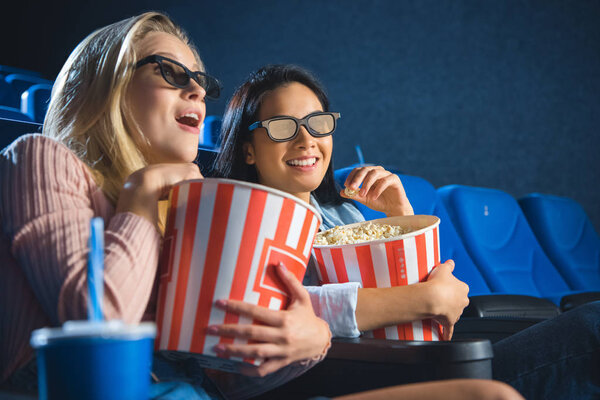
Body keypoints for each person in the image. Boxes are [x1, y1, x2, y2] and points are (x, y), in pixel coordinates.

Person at [0, 10, 523, 400]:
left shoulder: (186, 210)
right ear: (110, 87)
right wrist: (139, 195)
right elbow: (98, 317)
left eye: (201, 82)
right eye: (171, 73)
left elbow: (226, 368)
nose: (197, 93)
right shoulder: (43, 159)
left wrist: (310, 337)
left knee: (486, 396)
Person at [212, 63, 600, 399]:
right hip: (349, 376)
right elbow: (262, 319)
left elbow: (436, 320)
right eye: (284, 126)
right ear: (247, 149)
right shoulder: (233, 224)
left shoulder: (344, 216)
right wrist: (425, 299)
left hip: (415, 358)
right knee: (590, 329)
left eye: (318, 123)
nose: (307, 139)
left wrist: (402, 216)